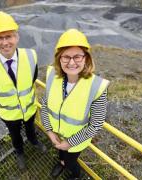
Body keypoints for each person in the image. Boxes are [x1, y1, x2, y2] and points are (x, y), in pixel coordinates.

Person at [0, 11, 46, 170]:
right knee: (15, 135)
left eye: (8, 36)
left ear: (17, 37)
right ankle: (19, 152)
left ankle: (34, 141)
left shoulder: (30, 56)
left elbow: (32, 78)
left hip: (29, 107)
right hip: (9, 114)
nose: (5, 42)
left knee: (31, 128)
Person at [41, 29, 109, 180]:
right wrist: (50, 132)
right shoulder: (52, 76)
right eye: (66, 57)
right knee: (61, 155)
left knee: (72, 162)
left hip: (76, 143)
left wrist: (69, 143)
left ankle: (74, 175)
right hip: (56, 135)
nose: (71, 62)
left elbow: (96, 124)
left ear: (86, 58)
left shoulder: (97, 87)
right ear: (59, 58)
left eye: (77, 56)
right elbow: (45, 104)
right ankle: (62, 162)